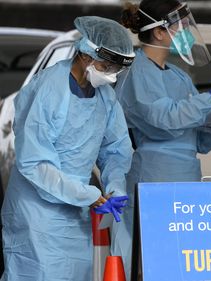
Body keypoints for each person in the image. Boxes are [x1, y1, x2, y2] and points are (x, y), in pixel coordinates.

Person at [0, 16, 135, 281]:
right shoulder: (51, 88)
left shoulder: (105, 96)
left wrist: (114, 187)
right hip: (37, 213)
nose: (112, 75)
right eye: (107, 66)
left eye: (116, 69)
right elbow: (34, 163)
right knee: (38, 273)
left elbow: (117, 149)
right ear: (86, 56)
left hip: (76, 212)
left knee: (79, 272)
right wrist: (87, 195)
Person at [114, 0, 211, 278]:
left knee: (183, 264)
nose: (186, 31)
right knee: (153, 262)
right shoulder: (137, 73)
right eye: (179, 25)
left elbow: (197, 138)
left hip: (187, 180)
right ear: (159, 32)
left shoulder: (179, 76)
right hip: (153, 180)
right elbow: (165, 120)